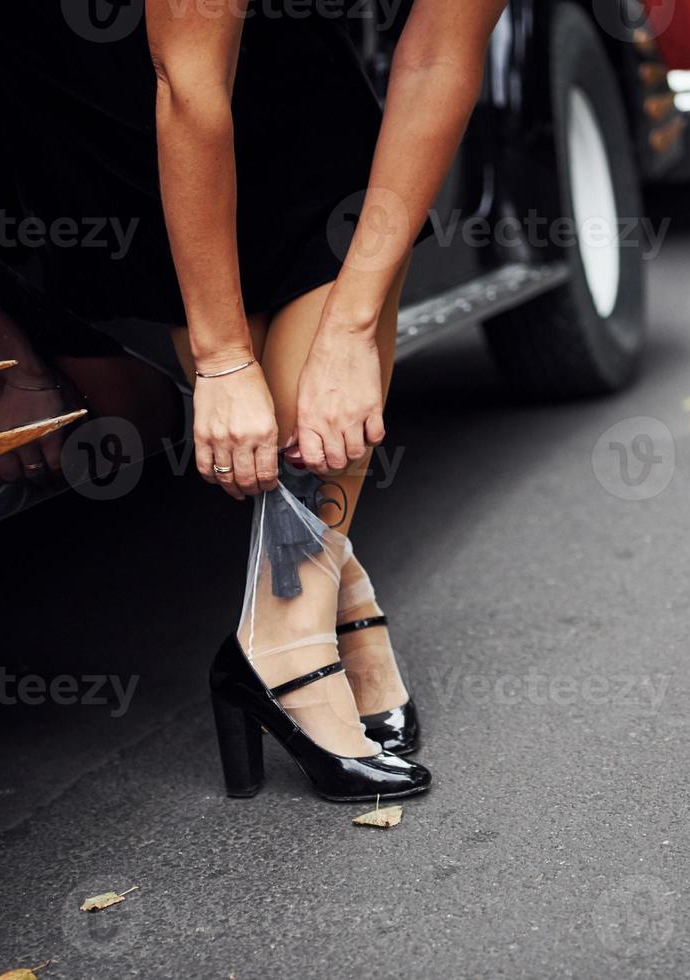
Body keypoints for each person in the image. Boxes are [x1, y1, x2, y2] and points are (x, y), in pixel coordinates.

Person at [147, 0, 507, 801]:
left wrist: (351, 327)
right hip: (123, 69)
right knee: (262, 401)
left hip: (289, 39)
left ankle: (287, 626)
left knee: (345, 194)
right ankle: (312, 628)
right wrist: (222, 358)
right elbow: (185, 76)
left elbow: (437, 55)